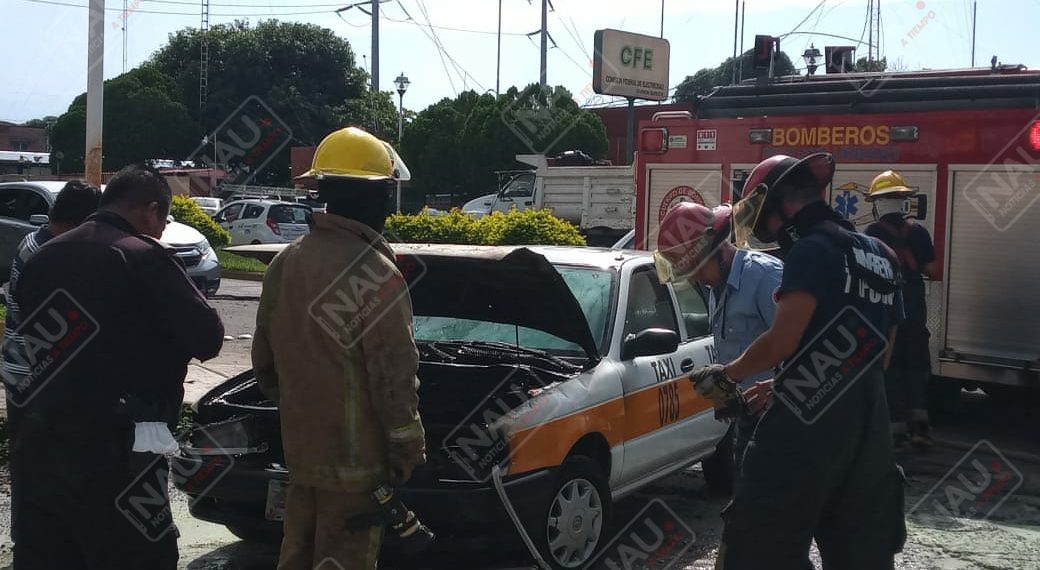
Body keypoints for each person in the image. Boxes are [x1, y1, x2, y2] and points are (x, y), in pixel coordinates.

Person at [689, 153, 907, 570]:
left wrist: (727, 374)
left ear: (778, 205)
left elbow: (782, 340)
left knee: (760, 543)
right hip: (870, 429)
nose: (758, 227)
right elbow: (877, 355)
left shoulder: (812, 250)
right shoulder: (882, 254)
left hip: (805, 431)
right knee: (861, 549)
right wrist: (785, 383)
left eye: (759, 214)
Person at [9, 164, 225, 570]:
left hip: (40, 447)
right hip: (120, 450)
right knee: (139, 554)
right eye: (163, 218)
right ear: (149, 210)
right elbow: (208, 338)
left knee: (49, 555)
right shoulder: (143, 257)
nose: (161, 230)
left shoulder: (42, 255)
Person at [252, 126, 426, 570]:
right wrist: (406, 449)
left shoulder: (286, 263)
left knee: (297, 555)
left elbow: (265, 364)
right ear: (379, 199)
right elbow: (393, 378)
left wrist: (304, 414)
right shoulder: (375, 272)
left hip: (303, 455)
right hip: (357, 469)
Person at [654, 201, 782, 482]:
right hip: (750, 419)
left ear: (719, 250)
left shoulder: (765, 277)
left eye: (698, 269)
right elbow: (735, 346)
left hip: (781, 420)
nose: (697, 278)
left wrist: (776, 388)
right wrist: (726, 395)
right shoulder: (717, 286)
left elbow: (798, 343)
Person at [2, 180, 101, 401]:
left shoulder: (34, 240)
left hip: (19, 367)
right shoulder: (49, 256)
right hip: (33, 376)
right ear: (85, 220)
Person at [864, 170, 939, 450]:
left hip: (888, 307)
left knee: (890, 367)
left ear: (878, 204)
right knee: (916, 366)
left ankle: (894, 434)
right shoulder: (918, 232)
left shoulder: (872, 234)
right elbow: (934, 270)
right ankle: (921, 431)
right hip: (915, 307)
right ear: (903, 202)